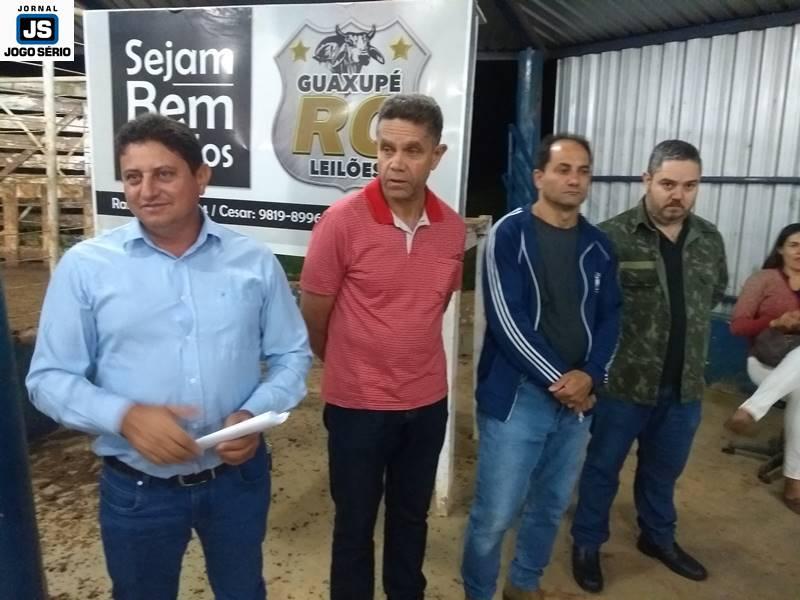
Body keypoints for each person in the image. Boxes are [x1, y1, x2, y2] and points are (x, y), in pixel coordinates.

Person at [26, 113, 311, 600]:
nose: (147, 191)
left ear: (201, 176)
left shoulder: (252, 262)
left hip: (237, 481)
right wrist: (124, 416)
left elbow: (291, 355)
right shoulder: (86, 268)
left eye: (164, 174)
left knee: (243, 590)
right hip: (138, 489)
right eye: (133, 177)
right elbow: (48, 377)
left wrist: (254, 414)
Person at [299, 94, 466, 600]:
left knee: (411, 520)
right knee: (354, 526)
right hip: (357, 408)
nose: (396, 163)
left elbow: (434, 305)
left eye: (412, 150)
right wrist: (349, 364)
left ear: (436, 156)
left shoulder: (452, 230)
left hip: (426, 405)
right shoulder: (341, 221)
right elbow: (314, 314)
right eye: (386, 148)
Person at [460, 134, 621, 600]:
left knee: (550, 506)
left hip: (578, 402)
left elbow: (611, 317)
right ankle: (479, 592)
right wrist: (562, 381)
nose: (574, 180)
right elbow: (507, 321)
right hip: (519, 398)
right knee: (496, 514)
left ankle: (524, 584)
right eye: (563, 169)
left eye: (583, 171)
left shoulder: (599, 246)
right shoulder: (508, 235)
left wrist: (591, 375)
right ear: (538, 177)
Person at [571, 140, 728, 594]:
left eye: (689, 186)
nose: (678, 195)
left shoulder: (709, 240)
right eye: (668, 184)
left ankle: (657, 537)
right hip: (622, 386)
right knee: (602, 469)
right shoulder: (610, 238)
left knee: (663, 471)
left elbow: (712, 295)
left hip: (683, 388)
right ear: (646, 180)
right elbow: (589, 311)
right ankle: (587, 544)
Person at [726, 223, 800, 513]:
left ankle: (751, 409)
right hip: (765, 363)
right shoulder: (763, 280)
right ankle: (794, 482)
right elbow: (737, 327)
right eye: (794, 245)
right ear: (780, 248)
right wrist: (775, 322)